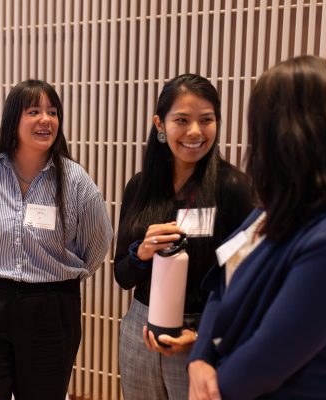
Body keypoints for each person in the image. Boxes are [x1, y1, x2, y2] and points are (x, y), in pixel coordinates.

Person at [188, 55, 326, 400]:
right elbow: (221, 283)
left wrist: (210, 387)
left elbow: (269, 358)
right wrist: (199, 359)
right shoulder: (268, 212)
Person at [0, 79, 112, 400]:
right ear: (14, 120)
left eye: (52, 112)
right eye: (34, 111)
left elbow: (97, 244)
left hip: (50, 310)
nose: (46, 120)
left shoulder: (75, 180)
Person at [113, 74, 254, 399]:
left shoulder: (233, 189)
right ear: (160, 125)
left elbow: (244, 279)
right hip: (141, 327)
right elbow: (122, 275)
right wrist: (142, 252)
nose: (195, 132)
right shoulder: (141, 186)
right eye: (182, 120)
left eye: (206, 120)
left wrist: (206, 335)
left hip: (200, 332)